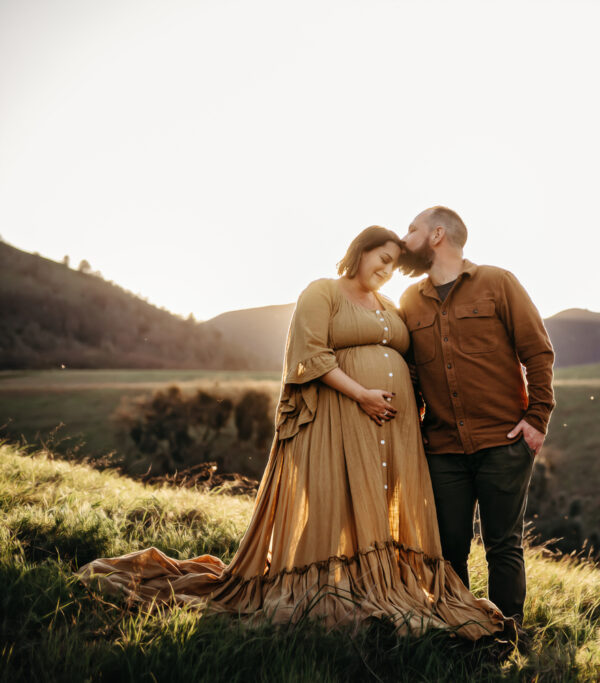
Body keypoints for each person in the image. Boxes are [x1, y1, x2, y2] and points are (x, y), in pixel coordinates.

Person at [76, 226, 507, 640]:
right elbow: (310, 354)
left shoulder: (388, 303)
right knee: (336, 499)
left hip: (393, 430)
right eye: (383, 258)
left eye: (394, 265)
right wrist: (363, 395)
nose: (387, 269)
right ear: (362, 250)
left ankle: (375, 583)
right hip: (340, 417)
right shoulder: (323, 291)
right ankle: (329, 588)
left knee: (377, 505)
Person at [398, 206, 555, 626]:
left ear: (436, 236)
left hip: (503, 442)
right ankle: (462, 630)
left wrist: (537, 418)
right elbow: (411, 374)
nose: (403, 239)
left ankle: (506, 634)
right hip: (442, 448)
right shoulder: (409, 300)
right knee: (448, 548)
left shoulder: (498, 283)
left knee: (503, 545)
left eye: (410, 230)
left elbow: (538, 352)